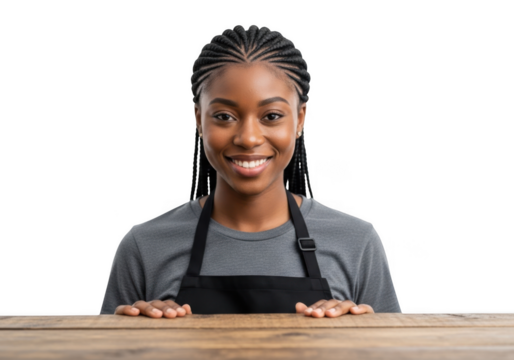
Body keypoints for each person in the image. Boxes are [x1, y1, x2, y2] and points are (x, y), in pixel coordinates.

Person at [100, 24, 401, 318]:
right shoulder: (143, 246)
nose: (248, 138)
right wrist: (136, 333)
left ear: (299, 120)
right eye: (224, 116)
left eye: (271, 116)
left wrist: (362, 334)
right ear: (199, 120)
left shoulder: (357, 242)